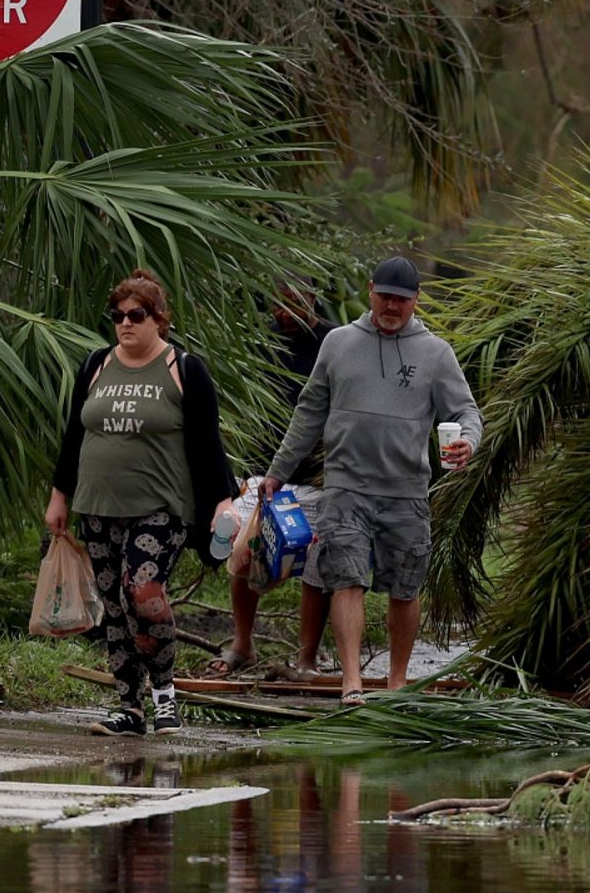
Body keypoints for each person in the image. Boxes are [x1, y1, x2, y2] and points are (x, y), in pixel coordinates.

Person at [262, 255, 481, 705]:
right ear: (370, 291)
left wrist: (469, 443)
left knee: (405, 586)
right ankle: (352, 683)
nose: (392, 307)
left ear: (416, 300)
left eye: (402, 300)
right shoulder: (339, 343)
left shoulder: (436, 353)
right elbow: (309, 412)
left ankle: (397, 682)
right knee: (346, 579)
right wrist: (278, 471)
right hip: (345, 488)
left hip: (406, 491)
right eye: (385, 296)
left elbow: (466, 412)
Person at [46, 268, 237, 736]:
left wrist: (222, 502)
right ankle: (129, 707)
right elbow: (75, 435)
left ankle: (165, 696)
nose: (126, 324)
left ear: (159, 320)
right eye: (118, 316)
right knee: (115, 606)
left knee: (143, 593)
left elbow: (208, 444)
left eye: (137, 315)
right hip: (97, 506)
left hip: (160, 508)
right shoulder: (95, 364)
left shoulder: (183, 369)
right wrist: (59, 497)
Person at [207, 279, 338, 679]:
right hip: (264, 468)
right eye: (278, 304)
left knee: (317, 559)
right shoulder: (264, 340)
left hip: (316, 473)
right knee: (243, 549)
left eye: (294, 303)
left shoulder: (333, 342)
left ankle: (306, 658)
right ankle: (242, 643)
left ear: (313, 298)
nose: (285, 313)